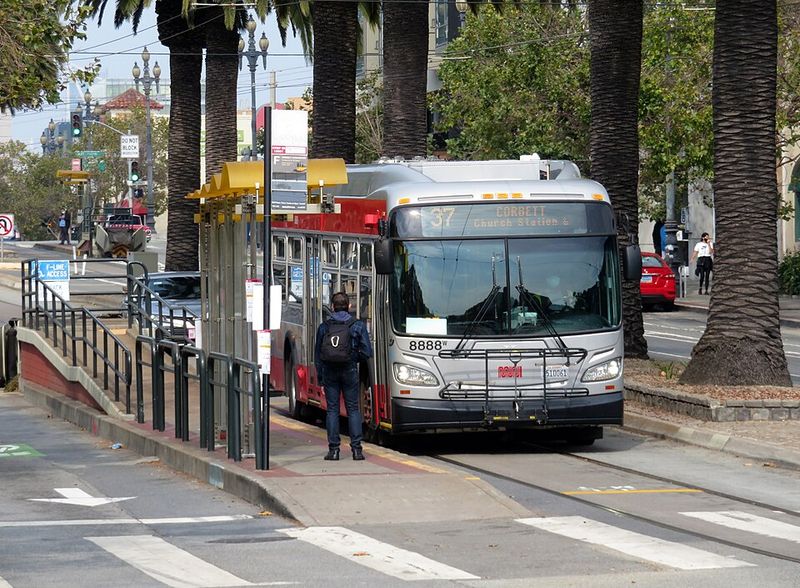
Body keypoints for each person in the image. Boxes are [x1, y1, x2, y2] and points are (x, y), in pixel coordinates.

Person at [314, 291, 373, 461]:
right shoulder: (357, 325)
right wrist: (353, 357)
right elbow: (367, 352)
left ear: (332, 307)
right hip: (349, 370)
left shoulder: (324, 327)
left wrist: (321, 379)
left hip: (329, 372)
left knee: (332, 410)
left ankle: (334, 451)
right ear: (349, 306)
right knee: (353, 409)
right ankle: (357, 450)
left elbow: (318, 355)